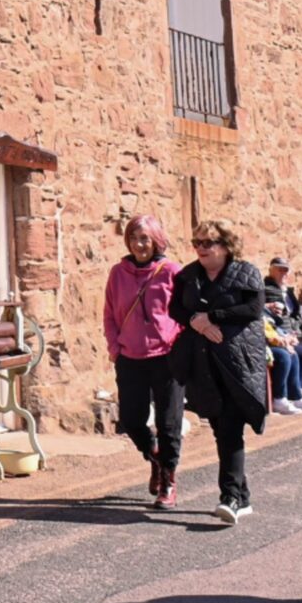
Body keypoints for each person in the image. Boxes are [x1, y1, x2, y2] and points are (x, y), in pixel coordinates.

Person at [171, 217, 269, 526]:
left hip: (237, 362)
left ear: (225, 246)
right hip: (202, 363)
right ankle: (242, 497)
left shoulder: (247, 272)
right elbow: (175, 309)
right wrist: (195, 322)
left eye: (207, 243)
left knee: (230, 427)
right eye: (196, 243)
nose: (201, 249)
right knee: (221, 428)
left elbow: (253, 309)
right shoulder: (188, 276)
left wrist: (211, 316)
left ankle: (229, 497)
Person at [105, 214, 185, 505]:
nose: (139, 245)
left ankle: (169, 481)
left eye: (144, 239)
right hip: (130, 357)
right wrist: (115, 348)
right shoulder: (117, 273)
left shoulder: (172, 271)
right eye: (134, 239)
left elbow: (184, 314)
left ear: (156, 241)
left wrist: (178, 344)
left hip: (166, 357)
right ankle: (154, 455)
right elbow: (110, 313)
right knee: (130, 419)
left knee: (169, 422)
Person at [262, 256, 302, 413]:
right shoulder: (265, 290)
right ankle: (285, 397)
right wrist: (284, 338)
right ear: (271, 270)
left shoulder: (287, 292)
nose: (284, 273)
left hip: (285, 334)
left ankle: (300, 394)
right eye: (280, 269)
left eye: (286, 270)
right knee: (291, 355)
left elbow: (292, 319)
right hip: (272, 337)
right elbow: (268, 321)